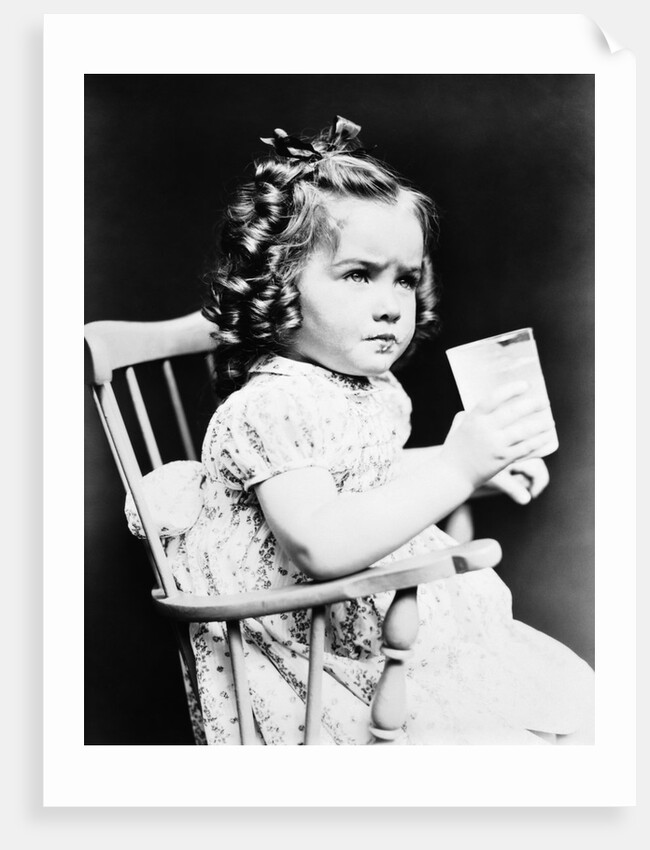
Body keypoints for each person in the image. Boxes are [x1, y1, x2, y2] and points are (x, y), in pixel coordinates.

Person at [129, 116, 594, 745]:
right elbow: (320, 545)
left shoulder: (367, 390)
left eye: (404, 278)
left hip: (372, 636)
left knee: (564, 713)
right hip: (309, 657)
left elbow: (366, 475)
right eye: (357, 274)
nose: (391, 303)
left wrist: (471, 469)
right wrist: (454, 468)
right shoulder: (270, 407)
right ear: (280, 288)